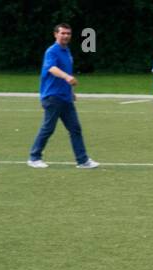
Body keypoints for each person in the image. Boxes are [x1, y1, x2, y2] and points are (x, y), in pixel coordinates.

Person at [28, 23, 99, 169]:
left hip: (65, 97)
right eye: (63, 33)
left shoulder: (67, 51)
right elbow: (52, 68)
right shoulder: (52, 51)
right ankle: (34, 158)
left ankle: (82, 160)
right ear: (56, 34)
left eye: (68, 33)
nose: (66, 36)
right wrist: (67, 77)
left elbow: (65, 70)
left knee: (75, 129)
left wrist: (71, 91)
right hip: (52, 96)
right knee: (48, 128)